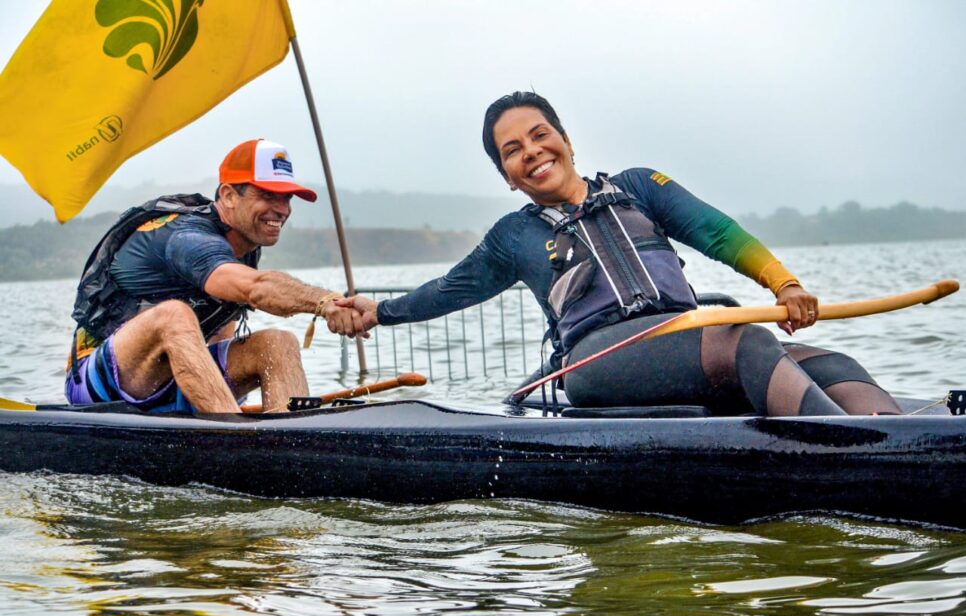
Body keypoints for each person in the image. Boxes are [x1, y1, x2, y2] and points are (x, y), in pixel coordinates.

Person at [337, 92, 901, 416]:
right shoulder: (513, 235)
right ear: (507, 176)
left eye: (540, 134)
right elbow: (447, 290)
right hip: (599, 360)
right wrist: (378, 311)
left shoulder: (639, 186)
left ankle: (903, 441)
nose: (532, 152)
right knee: (747, 341)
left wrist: (786, 286)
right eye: (513, 151)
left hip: (686, 336)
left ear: (566, 138)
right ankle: (855, 457)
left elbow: (719, 233)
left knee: (831, 364)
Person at [65, 139, 366, 414]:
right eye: (268, 195)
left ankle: (289, 441)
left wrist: (229, 395)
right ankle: (236, 443)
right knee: (173, 315)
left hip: (175, 382)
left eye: (287, 198)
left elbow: (222, 332)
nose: (282, 209)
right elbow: (257, 289)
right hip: (103, 382)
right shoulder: (188, 238)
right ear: (229, 195)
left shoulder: (244, 244)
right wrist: (326, 302)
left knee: (279, 344)